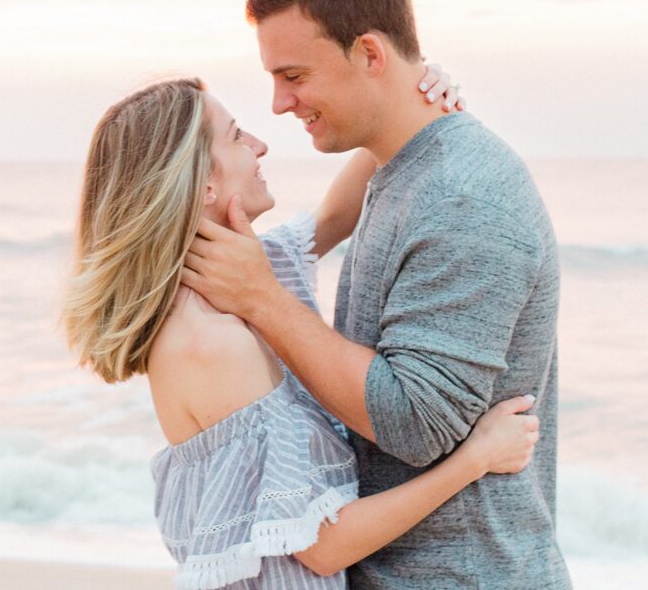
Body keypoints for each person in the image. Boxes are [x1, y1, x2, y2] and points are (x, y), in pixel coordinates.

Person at [181, 0, 571, 589]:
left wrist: (264, 299)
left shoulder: (464, 197)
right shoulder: (402, 169)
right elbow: (328, 222)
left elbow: (415, 422)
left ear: (368, 53)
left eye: (294, 75)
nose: (278, 104)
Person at [62, 77, 540, 589]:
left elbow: (335, 216)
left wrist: (410, 96)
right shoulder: (209, 344)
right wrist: (475, 459)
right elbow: (324, 546)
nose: (260, 145)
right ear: (203, 182)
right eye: (237, 135)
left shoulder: (245, 278)